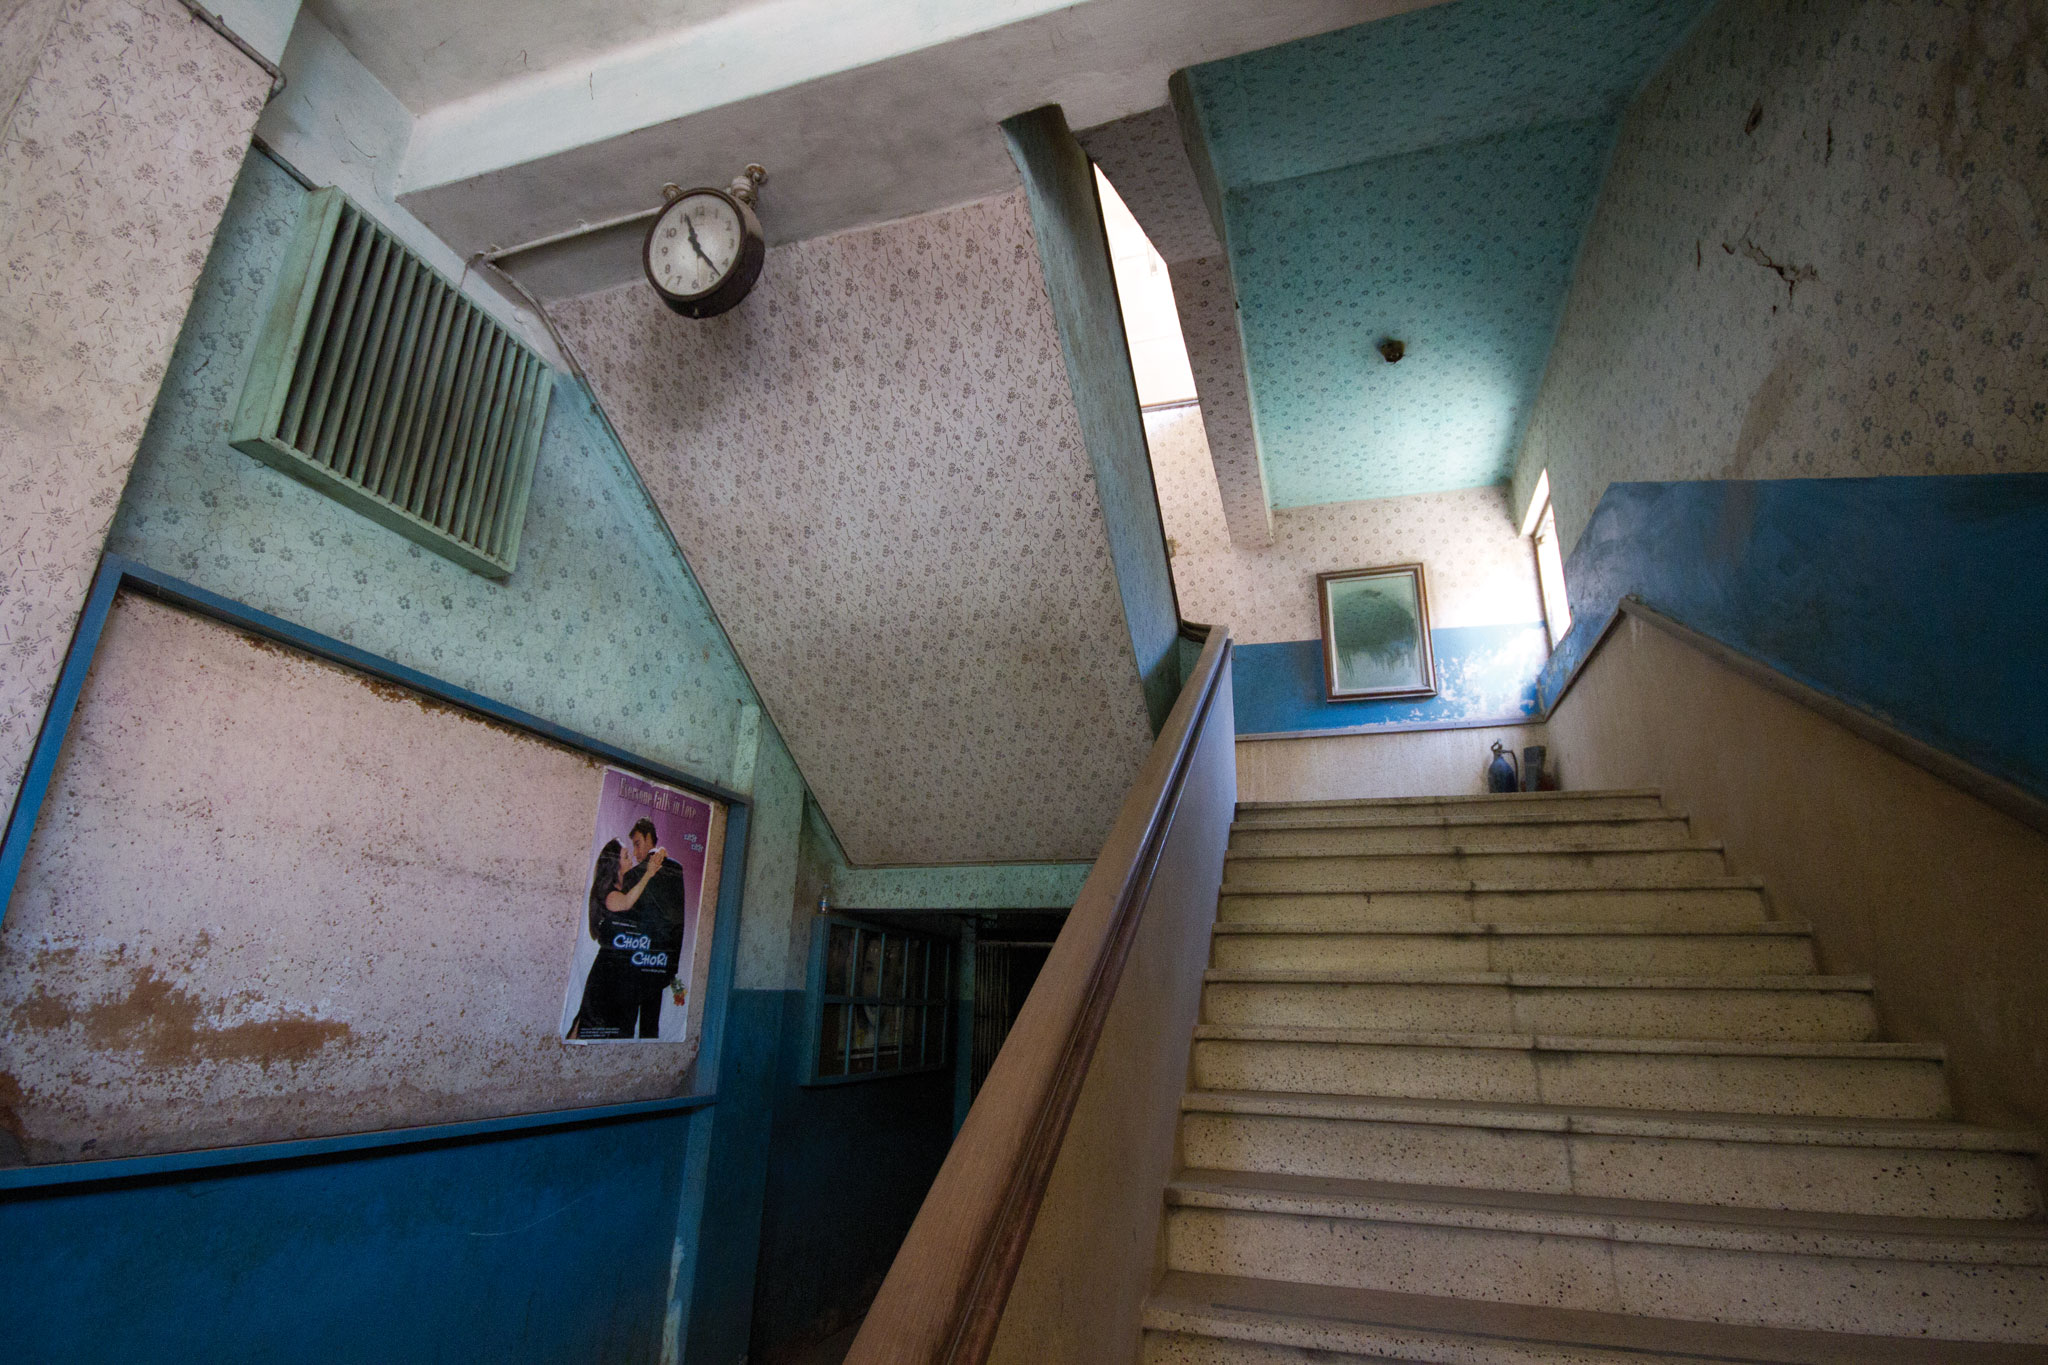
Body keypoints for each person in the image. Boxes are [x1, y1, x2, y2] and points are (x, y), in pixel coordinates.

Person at [566, 836, 668, 1040]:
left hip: (625, 980)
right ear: (615, 864)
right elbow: (626, 903)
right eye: (625, 856)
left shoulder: (628, 886)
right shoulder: (608, 893)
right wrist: (648, 875)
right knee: (589, 1023)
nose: (630, 858)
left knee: (617, 1032)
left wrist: (657, 859)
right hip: (606, 979)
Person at [620, 817, 690, 1038]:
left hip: (634, 960)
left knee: (625, 1026)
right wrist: (672, 966)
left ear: (650, 839)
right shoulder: (676, 870)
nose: (635, 851)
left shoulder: (632, 876)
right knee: (650, 1028)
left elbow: (626, 925)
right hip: (659, 962)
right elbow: (679, 921)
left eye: (638, 843)